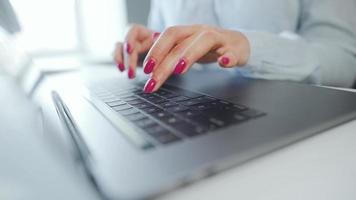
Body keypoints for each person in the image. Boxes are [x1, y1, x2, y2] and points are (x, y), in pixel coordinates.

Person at [113, 0, 356, 93]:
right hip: (187, 112)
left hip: (287, 124)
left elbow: (343, 58)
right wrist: (148, 51)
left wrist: (248, 47)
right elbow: (162, 34)